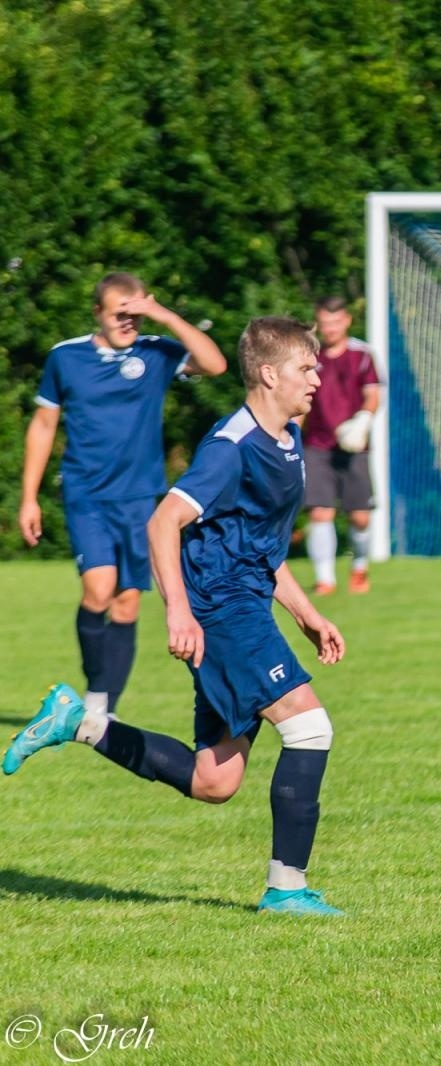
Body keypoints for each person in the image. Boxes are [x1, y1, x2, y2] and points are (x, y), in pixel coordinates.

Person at [5, 316, 347, 917]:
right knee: (310, 728)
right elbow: (163, 522)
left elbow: (259, 548)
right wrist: (180, 614)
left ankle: (78, 723)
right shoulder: (230, 447)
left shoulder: (288, 441)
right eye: (306, 368)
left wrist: (306, 613)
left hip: (242, 603)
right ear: (270, 374)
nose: (317, 378)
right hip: (222, 612)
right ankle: (287, 889)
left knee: (213, 782)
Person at [18, 273, 228, 720]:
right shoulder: (66, 358)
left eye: (134, 313)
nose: (128, 322)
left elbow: (215, 365)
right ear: (98, 313)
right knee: (97, 590)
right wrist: (29, 498)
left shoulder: (155, 352)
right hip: (87, 493)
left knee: (128, 600)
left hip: (140, 498)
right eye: (120, 313)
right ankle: (96, 682)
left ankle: (102, 708)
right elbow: (42, 426)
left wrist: (163, 314)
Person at [301, 296, 381, 595]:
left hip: (353, 448)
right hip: (317, 445)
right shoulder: (311, 355)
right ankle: (326, 580)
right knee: (320, 512)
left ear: (347, 320)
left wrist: (361, 421)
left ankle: (359, 567)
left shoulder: (362, 355)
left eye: (335, 322)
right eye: (325, 323)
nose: (330, 329)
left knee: (360, 517)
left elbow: (373, 395)